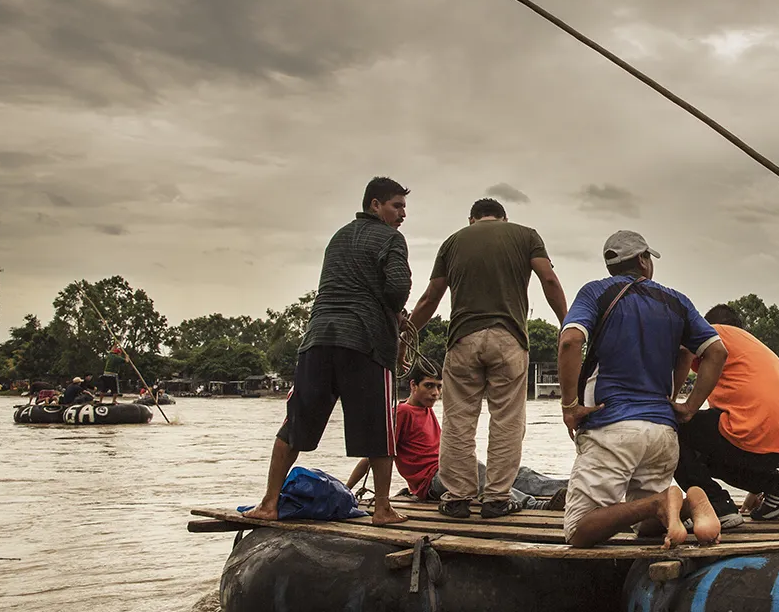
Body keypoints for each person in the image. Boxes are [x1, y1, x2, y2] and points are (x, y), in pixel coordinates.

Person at [244, 177, 413, 526]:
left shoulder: (337, 238)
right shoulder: (391, 239)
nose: (402, 214)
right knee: (379, 431)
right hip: (365, 343)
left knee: (295, 425)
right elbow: (397, 287)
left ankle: (269, 503)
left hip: (318, 340)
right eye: (396, 206)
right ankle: (382, 509)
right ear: (375, 205)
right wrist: (395, 311)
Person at [557, 230, 728, 549]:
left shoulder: (595, 292)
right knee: (646, 529)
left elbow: (570, 340)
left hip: (612, 427)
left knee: (579, 531)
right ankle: (686, 503)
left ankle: (658, 504)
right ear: (642, 260)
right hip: (663, 432)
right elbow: (715, 351)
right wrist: (687, 406)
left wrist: (570, 406)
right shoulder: (676, 300)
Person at [408, 198, 569, 519]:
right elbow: (548, 280)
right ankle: (496, 499)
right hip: (508, 340)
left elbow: (429, 298)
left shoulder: (452, 242)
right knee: (507, 421)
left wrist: (406, 336)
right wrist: (567, 324)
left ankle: (457, 499)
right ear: (504, 218)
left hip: (463, 340)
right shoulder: (525, 235)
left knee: (458, 421)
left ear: (472, 220)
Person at [345, 363, 567, 509]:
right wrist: (348, 489)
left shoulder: (427, 410)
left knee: (514, 472)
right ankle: (536, 506)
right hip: (430, 483)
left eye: (439, 387)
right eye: (429, 386)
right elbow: (375, 456)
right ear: (413, 385)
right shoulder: (402, 412)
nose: (435, 393)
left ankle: (567, 488)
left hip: (450, 468)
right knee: (477, 474)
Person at [673, 303, 779, 526]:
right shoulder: (753, 346)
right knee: (707, 456)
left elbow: (683, 351)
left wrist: (676, 403)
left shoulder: (715, 332)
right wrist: (756, 485)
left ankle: (716, 506)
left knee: (672, 430)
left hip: (754, 430)